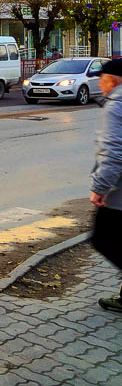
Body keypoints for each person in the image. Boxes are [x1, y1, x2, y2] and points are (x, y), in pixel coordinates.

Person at [90, 58, 122, 312]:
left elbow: (113, 154)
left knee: (103, 239)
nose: (99, 83)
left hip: (118, 192)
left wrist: (100, 187)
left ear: (113, 80)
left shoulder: (115, 106)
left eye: (102, 78)